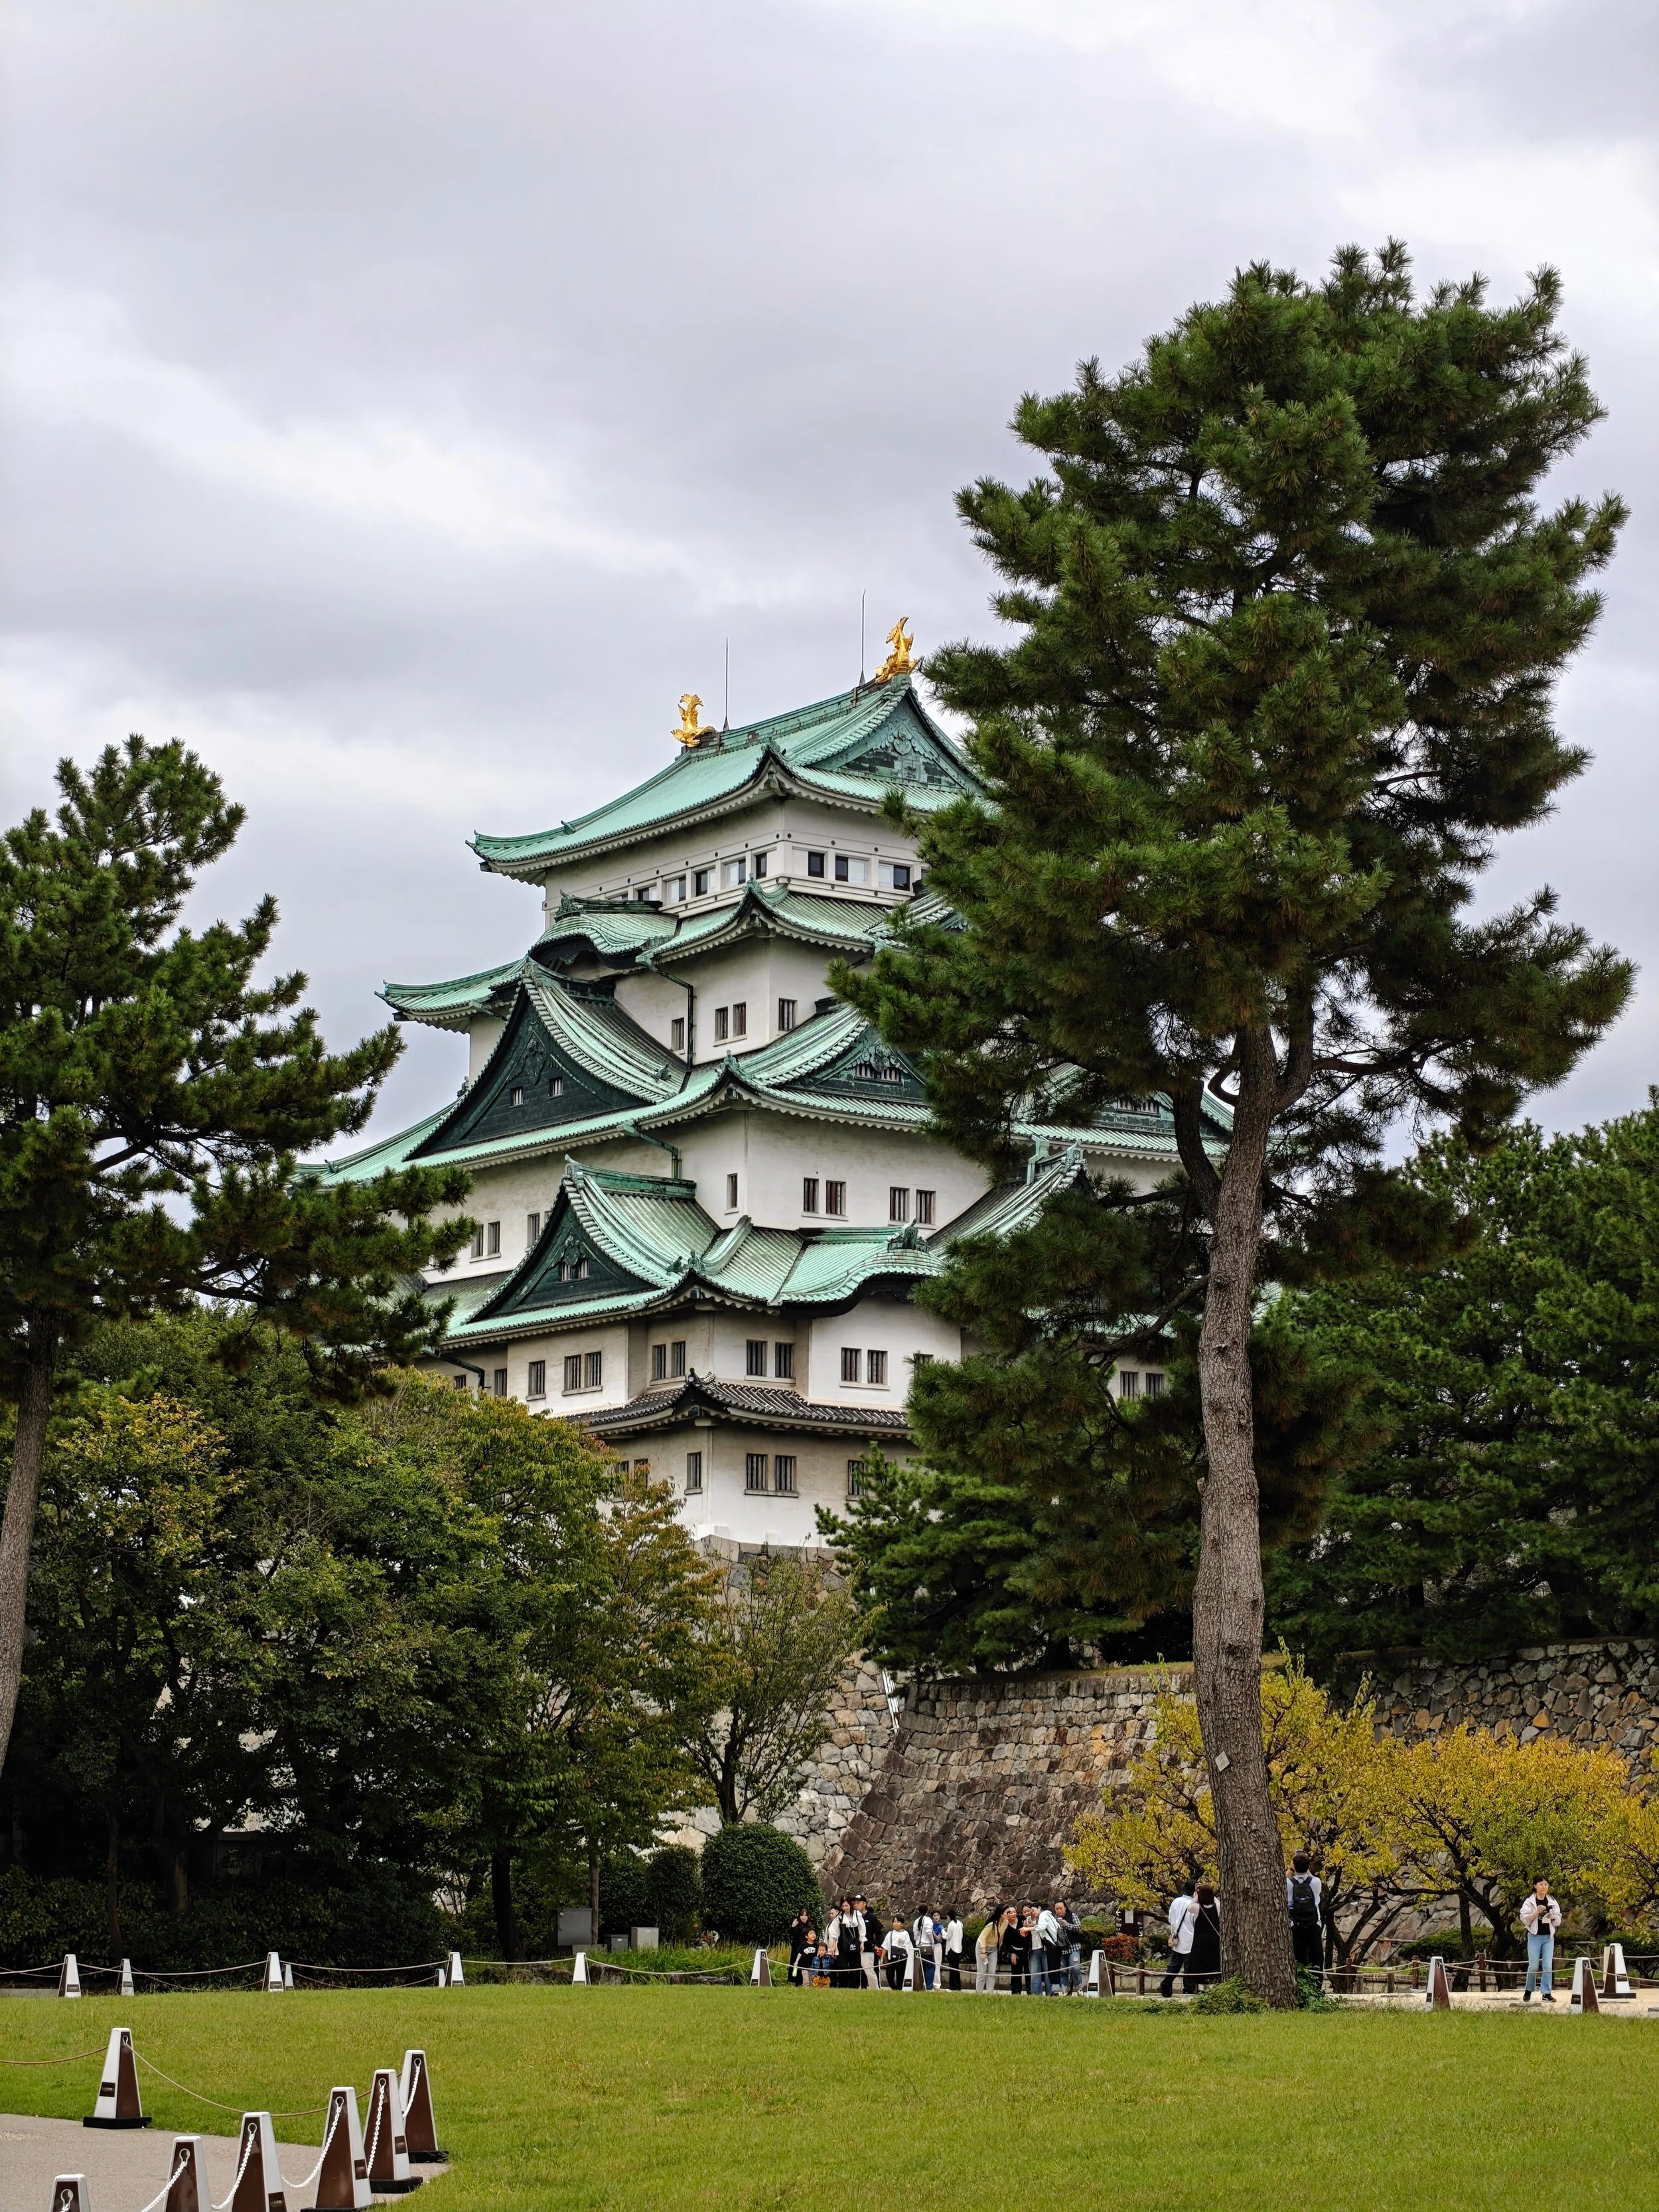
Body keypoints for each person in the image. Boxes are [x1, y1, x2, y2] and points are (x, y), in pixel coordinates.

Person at [1520, 1879, 1561, 2003]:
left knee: (1548, 1966)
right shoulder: (1529, 1902)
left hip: (1548, 1937)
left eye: (1546, 1884)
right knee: (1533, 1966)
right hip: (1534, 1936)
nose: (1544, 1887)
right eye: (1541, 1884)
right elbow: (1525, 1919)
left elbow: (1559, 1920)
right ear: (1535, 1886)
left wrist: (1553, 1917)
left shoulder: (1552, 1902)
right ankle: (1528, 1990)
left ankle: (1546, 1993)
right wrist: (1536, 1912)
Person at [1287, 1851, 1324, 1981]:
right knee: (1317, 1956)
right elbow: (1311, 1878)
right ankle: (1318, 1985)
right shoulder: (1316, 1882)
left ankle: (1302, 1984)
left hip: (1295, 1925)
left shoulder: (1289, 1883)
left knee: (1299, 1957)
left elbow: (1281, 1882)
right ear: (1308, 1866)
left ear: (1294, 1866)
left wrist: (1291, 1869)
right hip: (1314, 1924)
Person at [1159, 1885, 1197, 1999]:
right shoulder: (1194, 1905)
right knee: (1189, 1966)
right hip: (1190, 1939)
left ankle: (1166, 1984)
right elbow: (1195, 1921)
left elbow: (1171, 1919)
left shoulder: (1176, 1901)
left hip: (1177, 1937)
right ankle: (1188, 1989)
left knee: (1175, 1965)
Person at [1187, 1882, 1222, 1989]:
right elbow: (1217, 1901)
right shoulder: (1218, 1906)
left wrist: (1195, 1897)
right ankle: (1214, 1984)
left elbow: (1189, 1907)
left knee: (1200, 1964)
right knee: (1213, 1962)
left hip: (1200, 1941)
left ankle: (1201, 1987)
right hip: (1214, 1940)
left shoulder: (1197, 1908)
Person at [827, 1897, 864, 1990]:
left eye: (846, 1905)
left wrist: (862, 1942)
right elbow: (834, 1932)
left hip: (855, 1943)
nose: (845, 1907)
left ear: (850, 1905)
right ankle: (843, 1986)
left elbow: (862, 1929)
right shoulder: (839, 1917)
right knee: (842, 1966)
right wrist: (833, 1946)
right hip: (843, 1944)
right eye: (843, 1906)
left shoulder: (857, 1914)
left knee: (855, 1966)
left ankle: (854, 1987)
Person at [1033, 1902, 1064, 1996]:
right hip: (1057, 1945)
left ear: (1039, 1908)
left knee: (1052, 1970)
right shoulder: (1050, 1915)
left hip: (1052, 1945)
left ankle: (1055, 1993)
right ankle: (1056, 1991)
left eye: (1033, 1910)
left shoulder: (1043, 1915)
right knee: (1055, 1969)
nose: (1032, 1913)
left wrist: (1028, 1928)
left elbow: (1041, 1928)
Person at [1057, 1900, 1084, 1994]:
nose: (1059, 1911)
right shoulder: (1054, 1918)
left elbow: (1079, 1927)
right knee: (1063, 1970)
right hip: (1061, 1948)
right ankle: (1065, 1989)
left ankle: (1079, 1987)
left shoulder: (1072, 1915)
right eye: (1057, 1909)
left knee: (1075, 1967)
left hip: (1074, 1946)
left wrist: (1067, 1925)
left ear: (1065, 1907)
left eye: (1061, 1908)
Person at [859, 1895, 885, 1989]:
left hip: (868, 1948)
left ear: (864, 1904)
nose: (856, 1905)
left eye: (859, 1903)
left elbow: (878, 1933)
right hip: (854, 1948)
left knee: (870, 1971)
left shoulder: (872, 1918)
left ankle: (875, 1989)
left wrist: (881, 1946)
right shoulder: (854, 1917)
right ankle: (861, 1988)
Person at [885, 1913, 915, 1990]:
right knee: (889, 1974)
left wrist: (910, 1957)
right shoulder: (890, 1934)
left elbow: (908, 1946)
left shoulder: (905, 1934)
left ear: (902, 1924)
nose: (896, 1924)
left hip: (902, 1958)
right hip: (892, 1957)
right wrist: (882, 1958)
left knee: (900, 1975)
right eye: (894, 1922)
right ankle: (893, 1987)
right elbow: (885, 1946)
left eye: (898, 1922)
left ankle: (899, 1989)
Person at [975, 1911, 1003, 1994]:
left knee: (992, 1972)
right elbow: (983, 1937)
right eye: (1007, 1912)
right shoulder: (991, 1924)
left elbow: (1002, 1936)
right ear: (1001, 1914)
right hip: (982, 1948)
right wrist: (983, 1952)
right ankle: (979, 1994)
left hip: (993, 1949)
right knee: (982, 1972)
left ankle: (990, 1993)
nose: (1009, 1914)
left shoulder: (1005, 1922)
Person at [944, 1909, 965, 1993]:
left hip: (952, 1948)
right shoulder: (960, 1923)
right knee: (956, 1968)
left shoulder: (951, 1925)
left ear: (949, 1916)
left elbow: (948, 1937)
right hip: (959, 1948)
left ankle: (952, 1986)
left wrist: (943, 1933)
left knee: (952, 1968)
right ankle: (958, 1986)